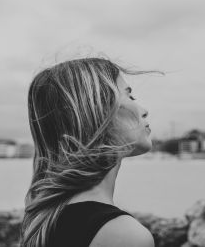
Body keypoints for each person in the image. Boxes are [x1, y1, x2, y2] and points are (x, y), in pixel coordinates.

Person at [20, 57, 157, 247]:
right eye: (130, 96)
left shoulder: (43, 221)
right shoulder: (122, 236)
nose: (144, 110)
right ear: (99, 114)